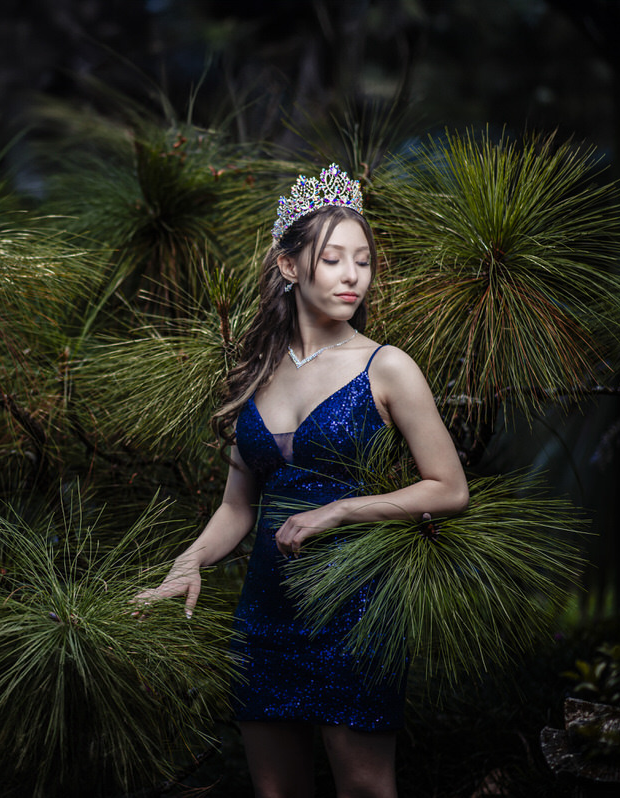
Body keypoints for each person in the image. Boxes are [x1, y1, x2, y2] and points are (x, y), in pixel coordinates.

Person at [136, 165, 469, 798]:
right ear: (290, 267)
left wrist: (340, 510)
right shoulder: (254, 372)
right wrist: (190, 560)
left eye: (363, 262)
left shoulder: (388, 367)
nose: (353, 276)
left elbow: (449, 489)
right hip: (267, 608)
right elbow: (238, 508)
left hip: (356, 602)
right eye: (334, 259)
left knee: (367, 786)